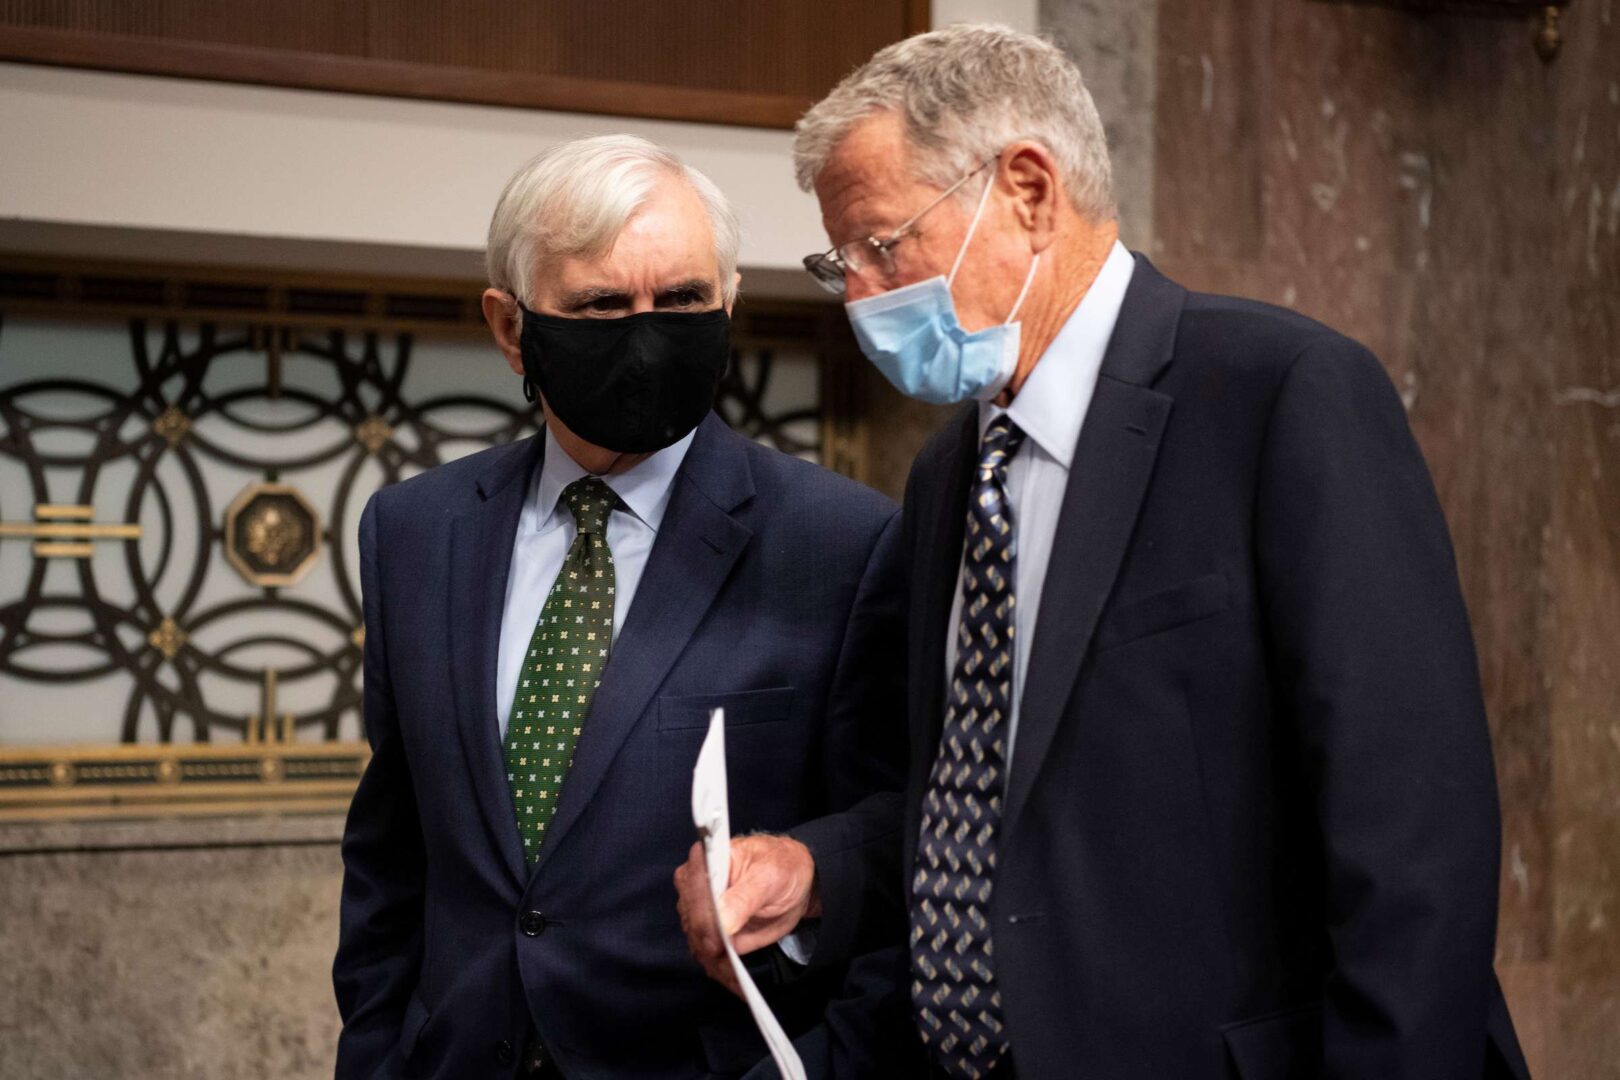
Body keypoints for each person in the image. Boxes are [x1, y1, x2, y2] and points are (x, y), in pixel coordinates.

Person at [678, 25, 1532, 1079]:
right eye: (837, 262)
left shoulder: (1281, 396)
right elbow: (981, 803)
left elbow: (1412, 837)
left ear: (1029, 191)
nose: (859, 295)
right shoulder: (951, 477)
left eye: (882, 246)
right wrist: (820, 872)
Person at [334, 134, 907, 1079]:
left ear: (728, 304)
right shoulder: (413, 531)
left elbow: (897, 837)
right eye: (602, 304)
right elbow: (393, 853)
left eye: (682, 300)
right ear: (512, 326)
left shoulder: (843, 543)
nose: (647, 333)